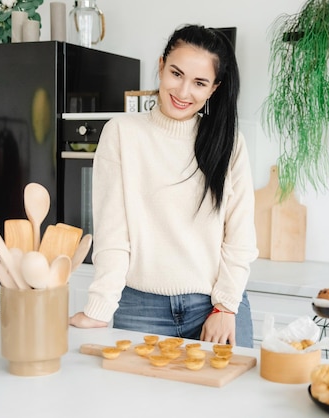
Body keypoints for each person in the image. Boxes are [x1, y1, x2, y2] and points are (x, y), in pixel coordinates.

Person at [69, 24, 259, 348]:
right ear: (160, 66)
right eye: (176, 73)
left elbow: (240, 235)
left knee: (229, 398)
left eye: (199, 83)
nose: (184, 92)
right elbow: (113, 233)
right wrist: (99, 308)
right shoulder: (122, 133)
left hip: (216, 307)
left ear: (214, 88)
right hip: (140, 308)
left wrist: (226, 306)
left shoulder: (229, 143)